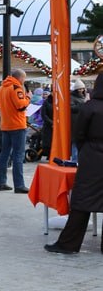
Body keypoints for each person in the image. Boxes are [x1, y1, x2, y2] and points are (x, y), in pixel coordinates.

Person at [44, 73, 103, 254]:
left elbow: (79, 134)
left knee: (83, 200)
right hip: (93, 153)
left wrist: (86, 150)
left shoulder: (90, 107)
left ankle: (69, 243)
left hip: (92, 158)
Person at [0, 68, 29, 193]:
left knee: (4, 155)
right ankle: (19, 185)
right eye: (24, 78)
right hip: (18, 125)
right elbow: (21, 106)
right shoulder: (16, 88)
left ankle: (2, 182)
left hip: (5, 125)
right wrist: (28, 98)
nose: (24, 81)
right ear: (20, 77)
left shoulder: (1, 88)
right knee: (18, 155)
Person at [69, 79, 87, 161]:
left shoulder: (84, 96)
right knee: (75, 141)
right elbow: (72, 108)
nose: (81, 90)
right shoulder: (72, 97)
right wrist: (83, 103)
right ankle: (75, 160)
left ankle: (80, 160)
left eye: (82, 88)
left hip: (83, 120)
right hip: (75, 121)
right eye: (79, 89)